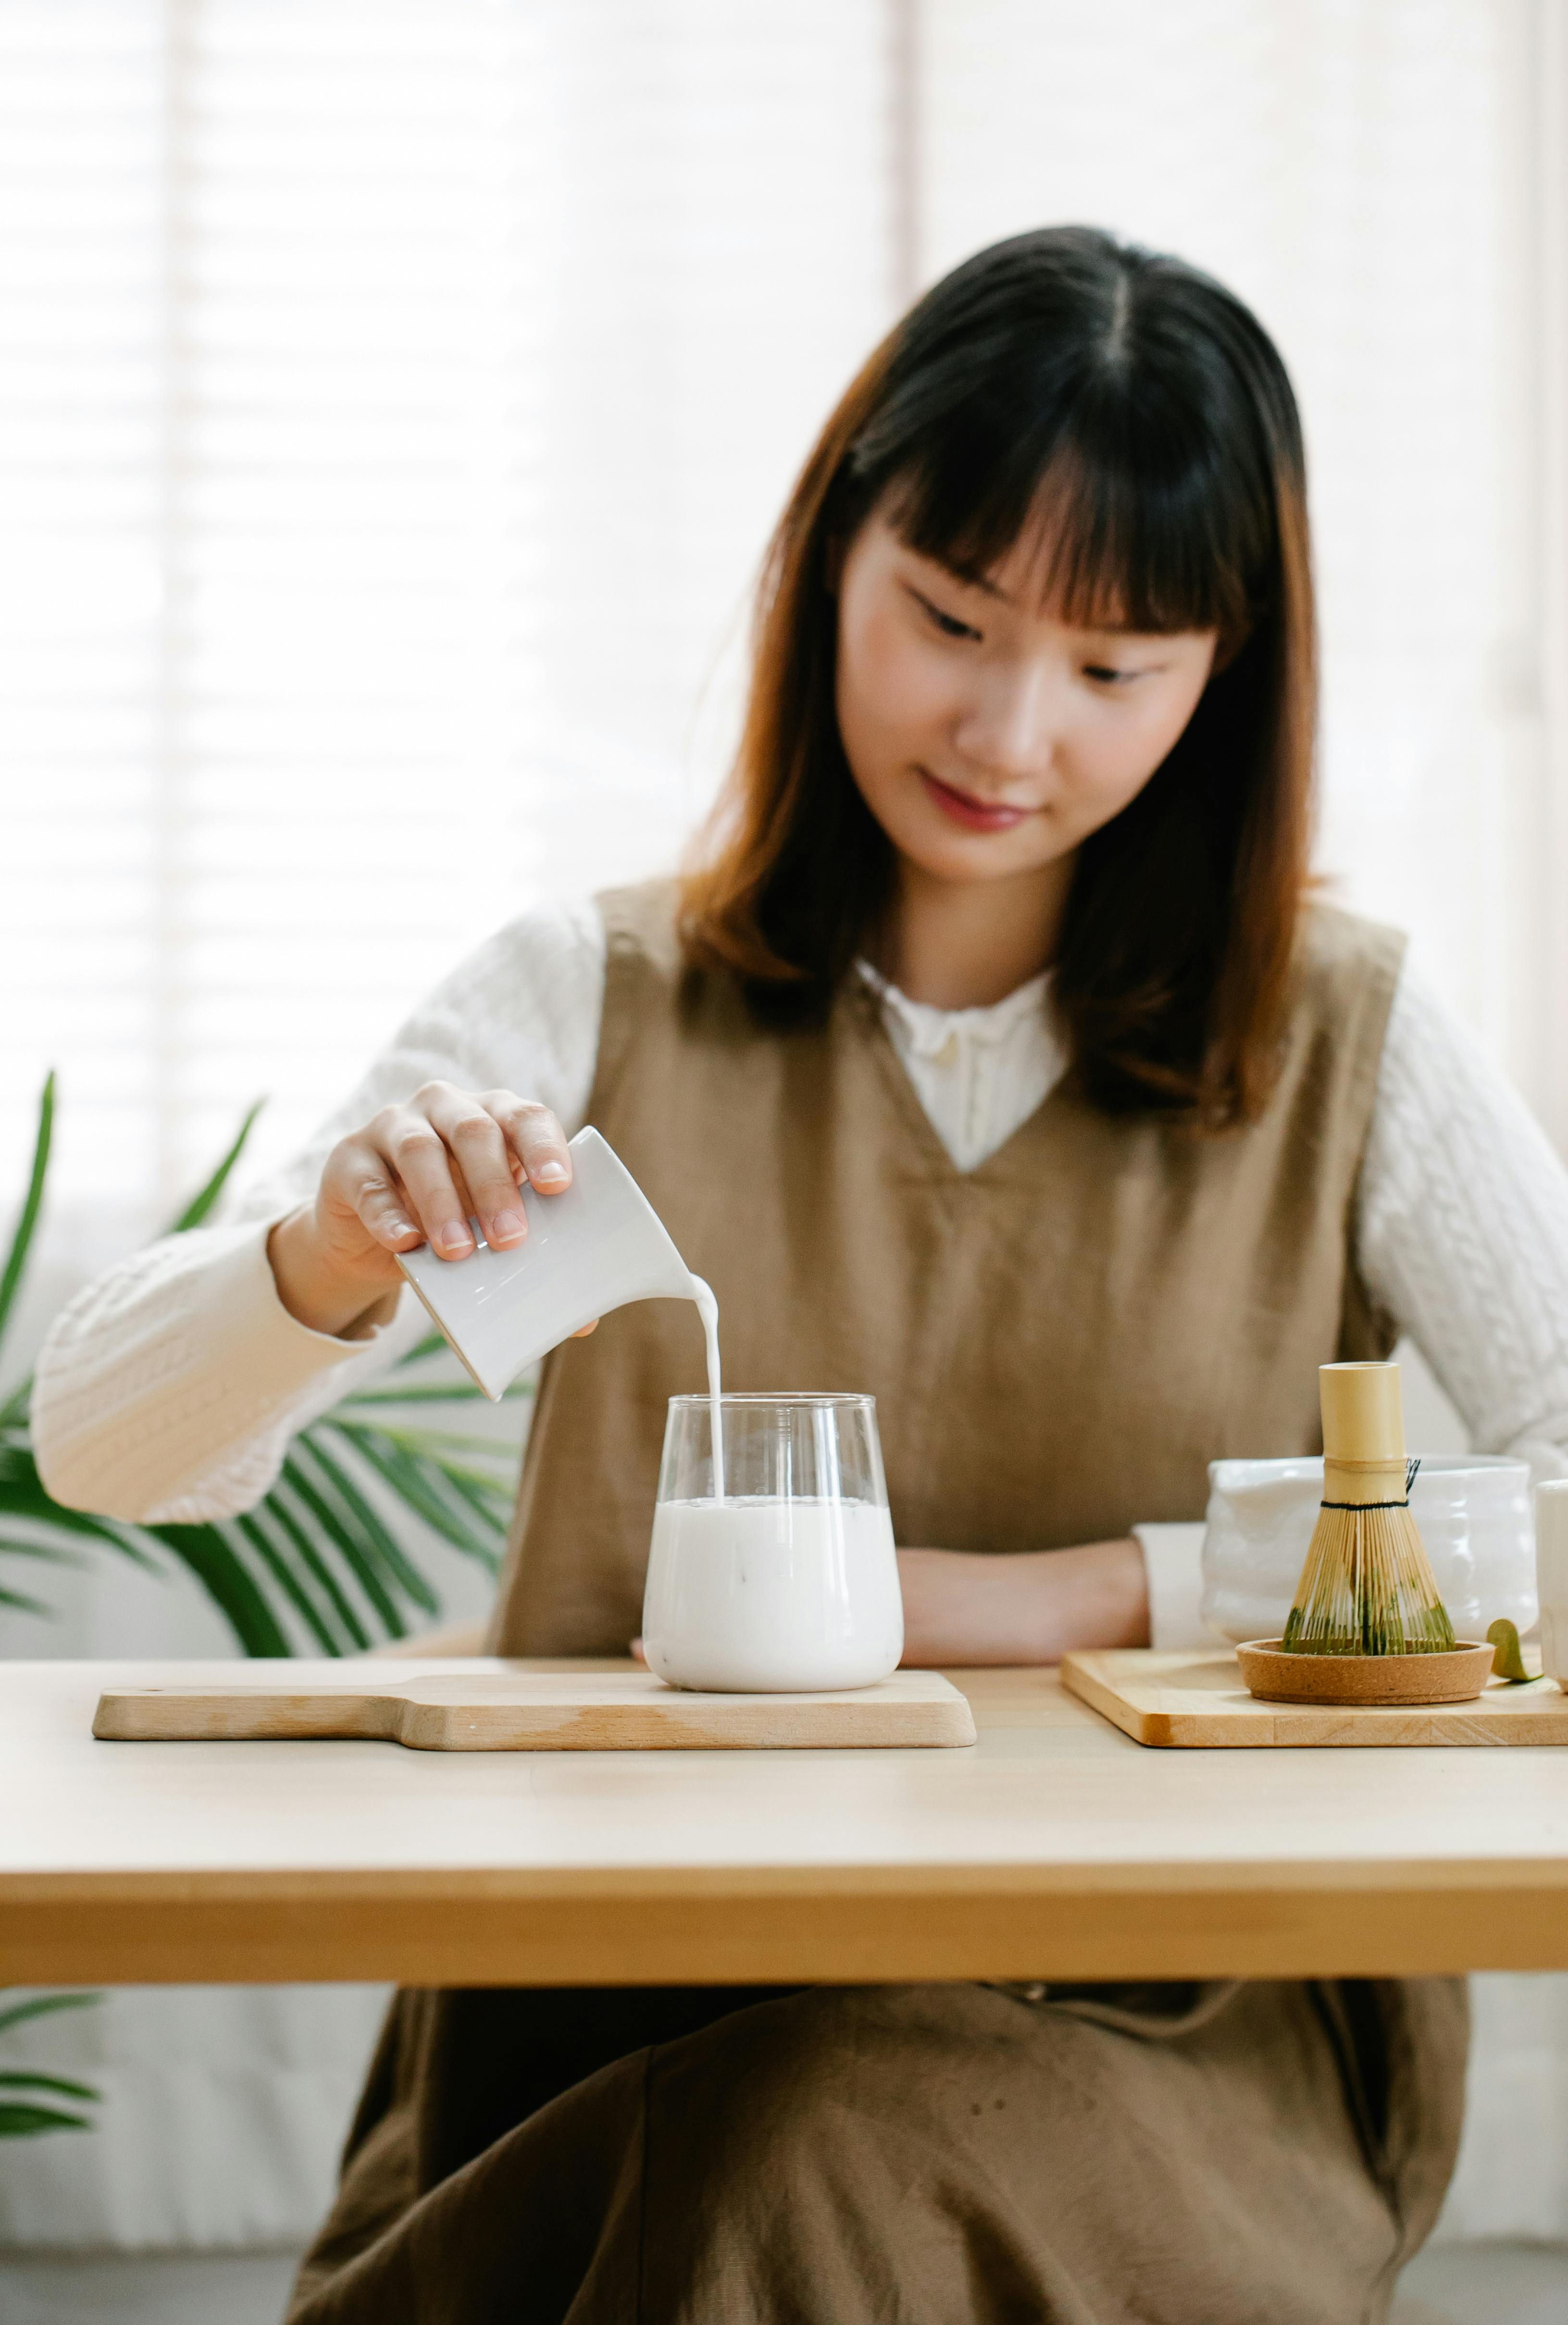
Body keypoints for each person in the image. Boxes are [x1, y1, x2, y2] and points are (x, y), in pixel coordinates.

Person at [35, 224, 1568, 2322]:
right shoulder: (596, 1002)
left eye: (1119, 668)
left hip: (1173, 2034)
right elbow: (108, 1450)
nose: (1012, 729)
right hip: (603, 2009)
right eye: (951, 617)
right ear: (831, 556)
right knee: (759, 2142)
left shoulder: (1343, 1047)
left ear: (1230, 680)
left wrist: (1109, 1595)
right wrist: (327, 1257)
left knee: (806, 2157)